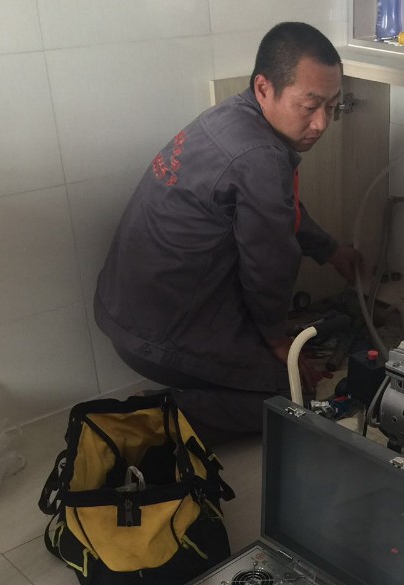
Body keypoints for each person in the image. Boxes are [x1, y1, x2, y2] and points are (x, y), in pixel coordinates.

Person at [94, 22, 363, 443]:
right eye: (310, 106)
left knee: (274, 367)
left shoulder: (230, 117)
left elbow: (281, 211)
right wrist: (277, 342)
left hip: (127, 310)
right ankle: (153, 421)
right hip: (156, 335)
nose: (321, 123)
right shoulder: (258, 155)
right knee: (289, 394)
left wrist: (329, 250)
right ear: (264, 88)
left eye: (331, 106)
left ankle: (192, 394)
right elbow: (269, 265)